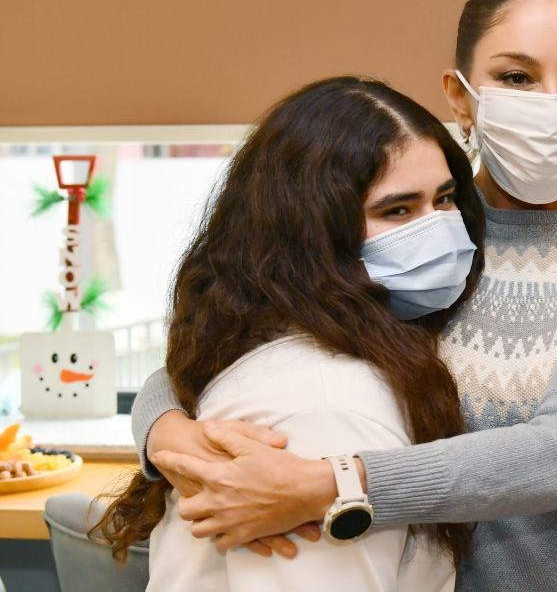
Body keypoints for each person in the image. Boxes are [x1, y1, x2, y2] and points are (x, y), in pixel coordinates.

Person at [132, 0, 557, 590]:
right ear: (460, 94)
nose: (550, 104)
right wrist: (167, 433)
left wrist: (332, 485)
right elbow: (248, 336)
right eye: (516, 76)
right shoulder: (419, 233)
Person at [92, 76, 486, 591]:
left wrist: (159, 422)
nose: (438, 230)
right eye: (397, 210)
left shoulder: (282, 345)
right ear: (311, 231)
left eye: (446, 199)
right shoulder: (331, 404)